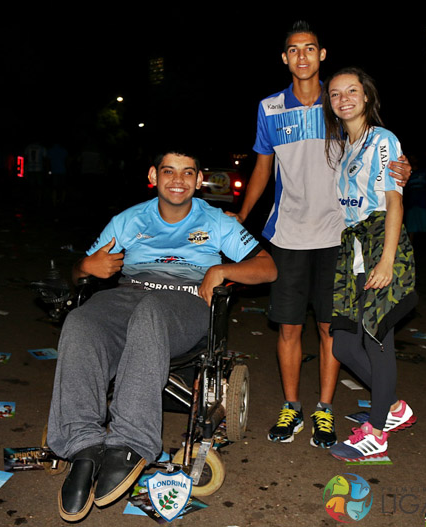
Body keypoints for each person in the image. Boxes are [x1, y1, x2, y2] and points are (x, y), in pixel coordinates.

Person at [46, 149, 277, 521]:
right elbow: (79, 272)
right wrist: (85, 266)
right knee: (81, 321)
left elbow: (267, 268)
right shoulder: (128, 220)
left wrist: (221, 270)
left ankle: (129, 442)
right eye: (169, 171)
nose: (178, 180)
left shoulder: (217, 221)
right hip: (128, 295)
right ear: (154, 176)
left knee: (150, 313)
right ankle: (82, 445)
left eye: (187, 172)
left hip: (186, 302)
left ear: (198, 180)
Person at [231, 20, 411, 449]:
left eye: (310, 48)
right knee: (288, 328)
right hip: (287, 234)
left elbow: (376, 148)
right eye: (294, 50)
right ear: (284, 58)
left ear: (322, 54)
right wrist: (242, 215)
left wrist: (402, 169)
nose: (302, 56)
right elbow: (263, 167)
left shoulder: (339, 101)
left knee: (331, 329)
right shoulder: (270, 107)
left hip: (338, 236)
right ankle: (291, 406)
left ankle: (325, 410)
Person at [321, 67, 417, 461]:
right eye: (335, 93)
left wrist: (388, 260)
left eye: (351, 91)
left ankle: (377, 432)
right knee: (344, 343)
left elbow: (394, 201)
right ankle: (392, 407)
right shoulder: (344, 148)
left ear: (366, 96)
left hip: (381, 245)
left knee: (378, 339)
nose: (343, 99)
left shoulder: (382, 140)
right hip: (354, 252)